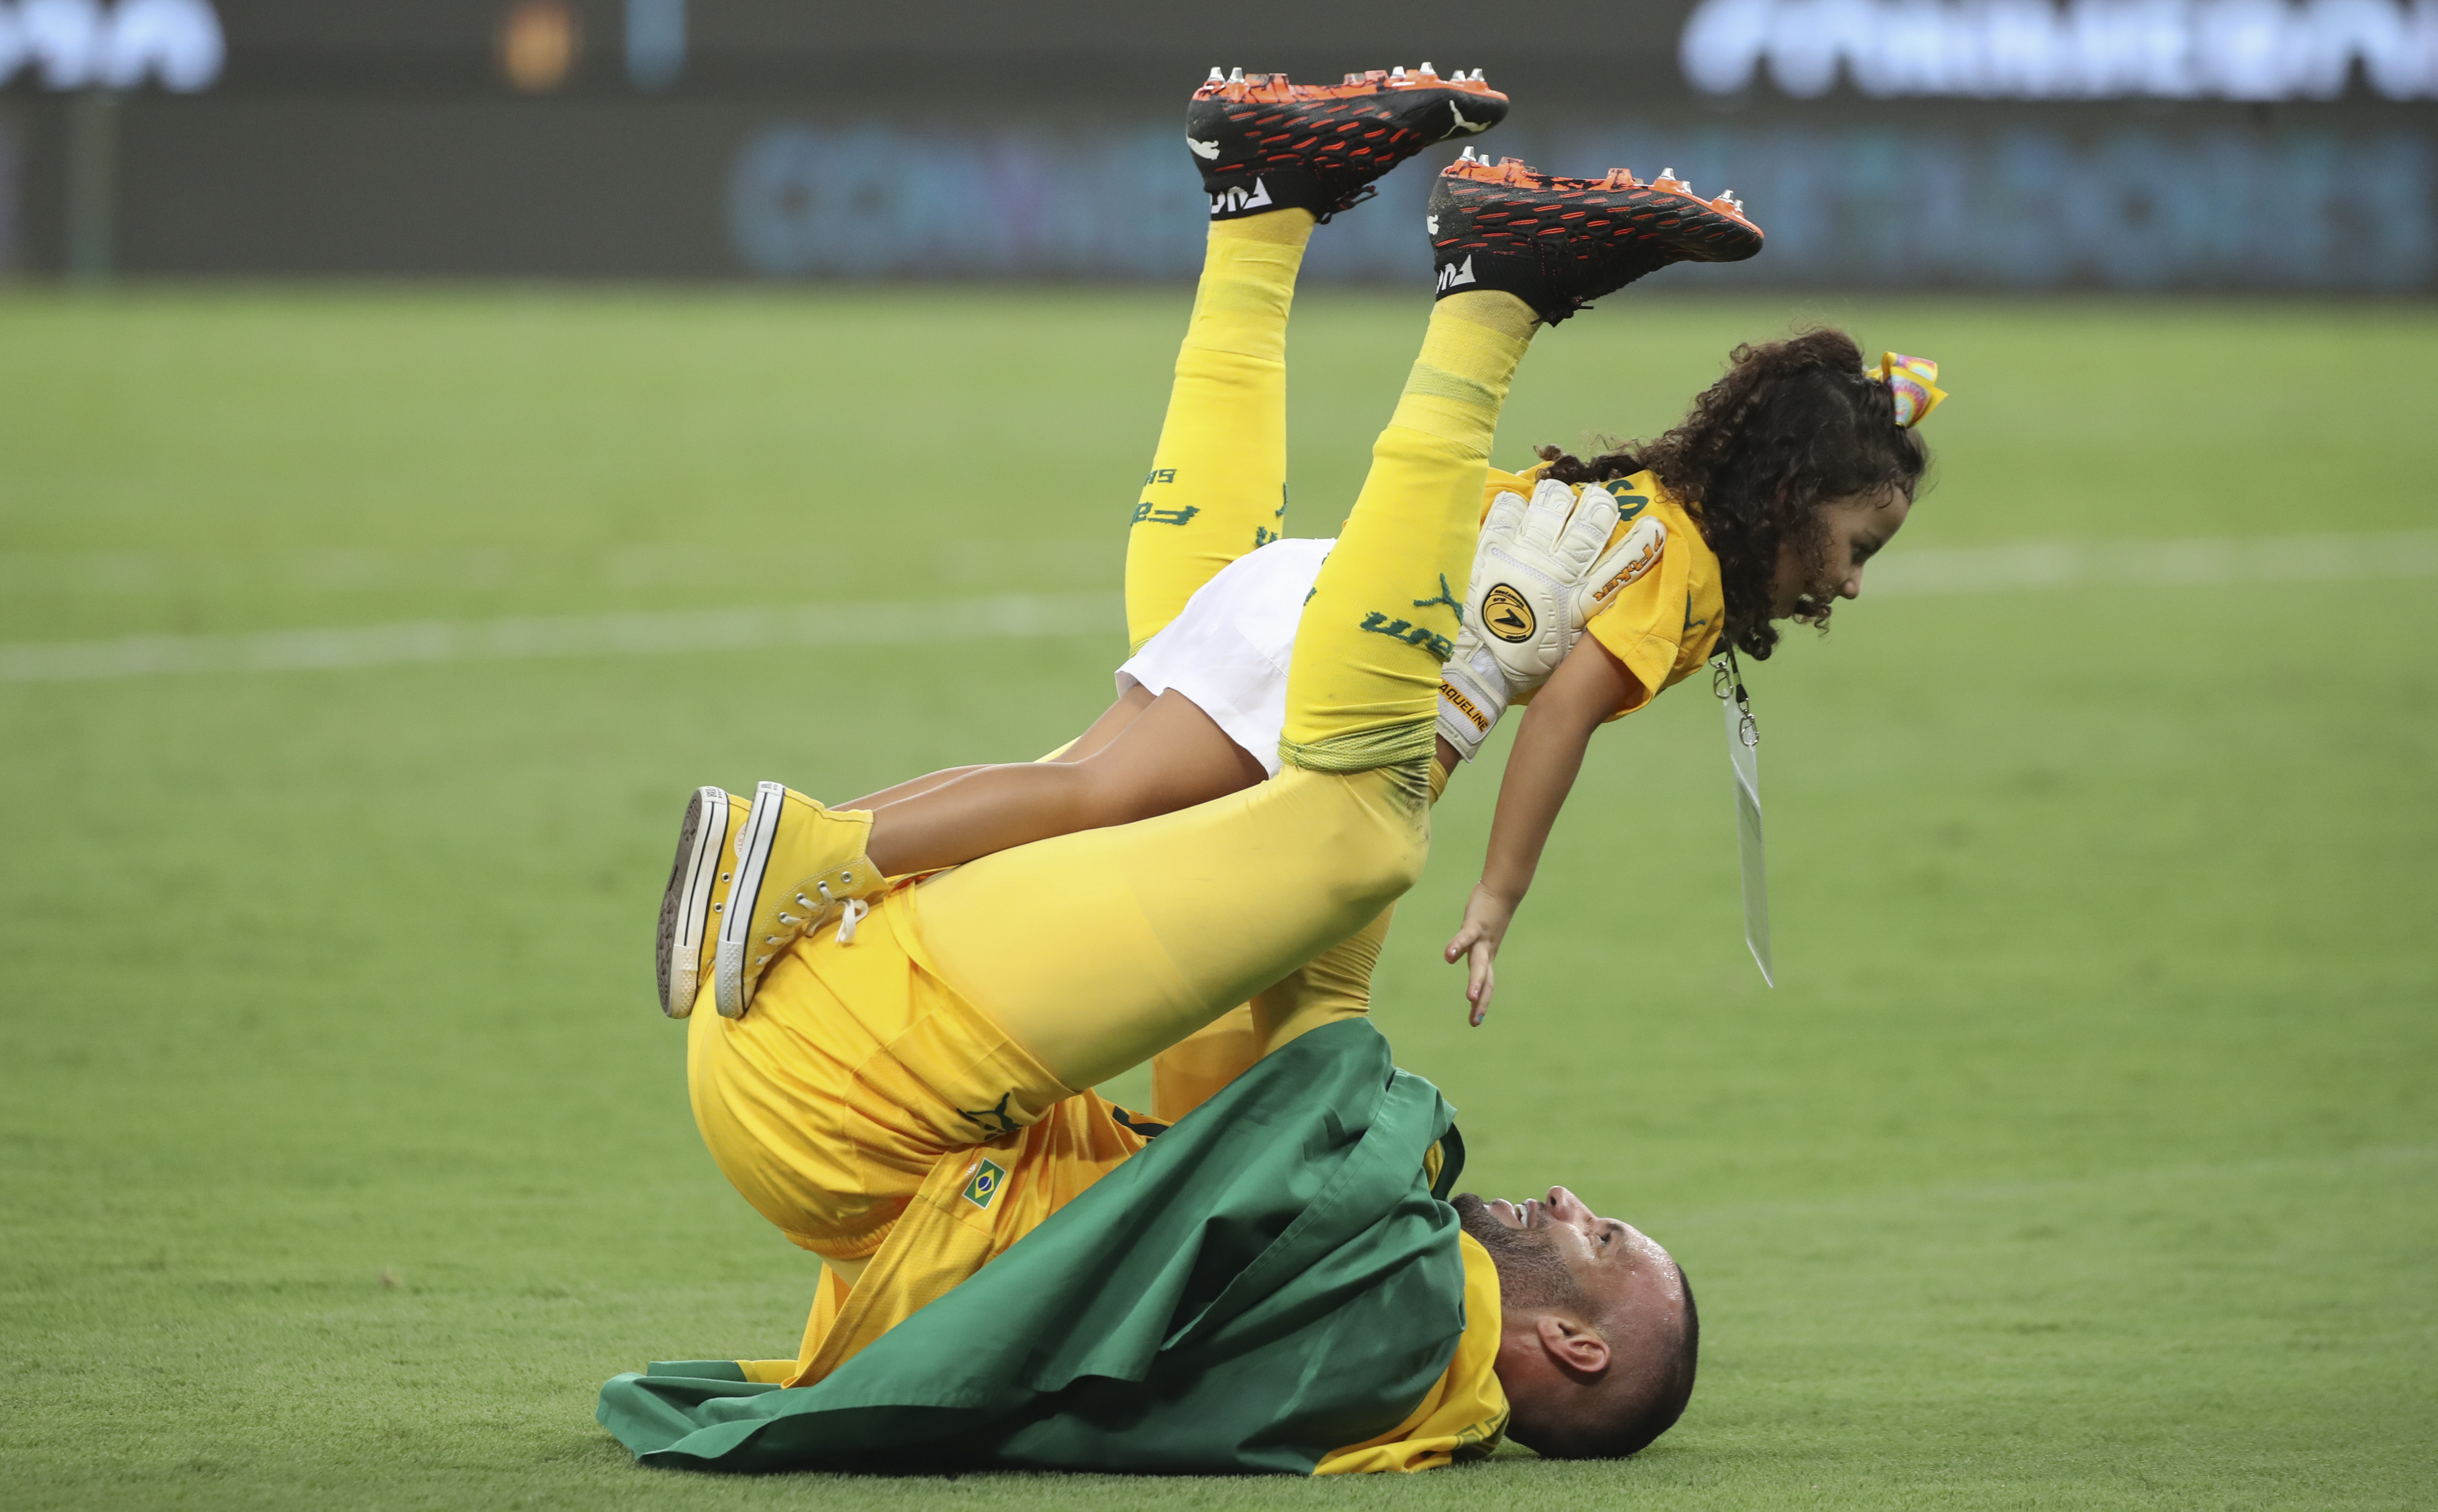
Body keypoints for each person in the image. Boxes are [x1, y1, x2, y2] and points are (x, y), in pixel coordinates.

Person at [611, 64, 1752, 1474]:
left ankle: (1490, 300)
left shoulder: (1403, 1331)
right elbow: (1287, 1082)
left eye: (1605, 1237)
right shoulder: (1342, 1329)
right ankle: (1261, 208)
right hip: (854, 1095)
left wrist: (1460, 686)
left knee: (1355, 839)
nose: (1574, 1198)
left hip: (862, 1094)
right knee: (1241, 758)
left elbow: (1347, 1109)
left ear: (1574, 1348)